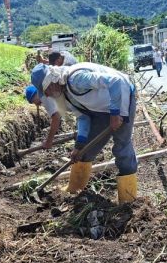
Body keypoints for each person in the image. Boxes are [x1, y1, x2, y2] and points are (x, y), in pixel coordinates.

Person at [30, 62, 138, 204]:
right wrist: (79, 146)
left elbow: (115, 82)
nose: (48, 95)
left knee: (121, 148)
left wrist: (115, 113)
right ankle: (74, 190)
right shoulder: (65, 96)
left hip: (122, 99)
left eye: (46, 90)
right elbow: (83, 117)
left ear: (52, 81)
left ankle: (128, 199)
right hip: (101, 111)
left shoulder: (76, 79)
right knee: (84, 153)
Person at [25, 84, 61, 149]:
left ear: (35, 94)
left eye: (33, 101)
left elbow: (56, 118)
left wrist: (49, 141)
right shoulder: (46, 96)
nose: (35, 104)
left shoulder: (44, 97)